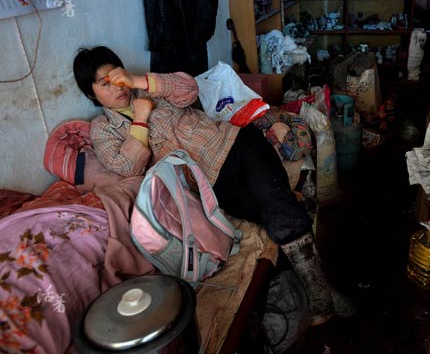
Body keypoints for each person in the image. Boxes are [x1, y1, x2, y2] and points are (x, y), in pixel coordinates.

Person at [73, 46, 354, 326]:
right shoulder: (102, 128)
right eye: (104, 83)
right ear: (90, 93)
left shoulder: (149, 88)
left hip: (236, 143)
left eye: (117, 76)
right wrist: (141, 118)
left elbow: (189, 88)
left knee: (274, 202)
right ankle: (319, 289)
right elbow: (127, 167)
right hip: (209, 182)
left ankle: (319, 297)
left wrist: (138, 81)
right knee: (274, 212)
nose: (117, 87)